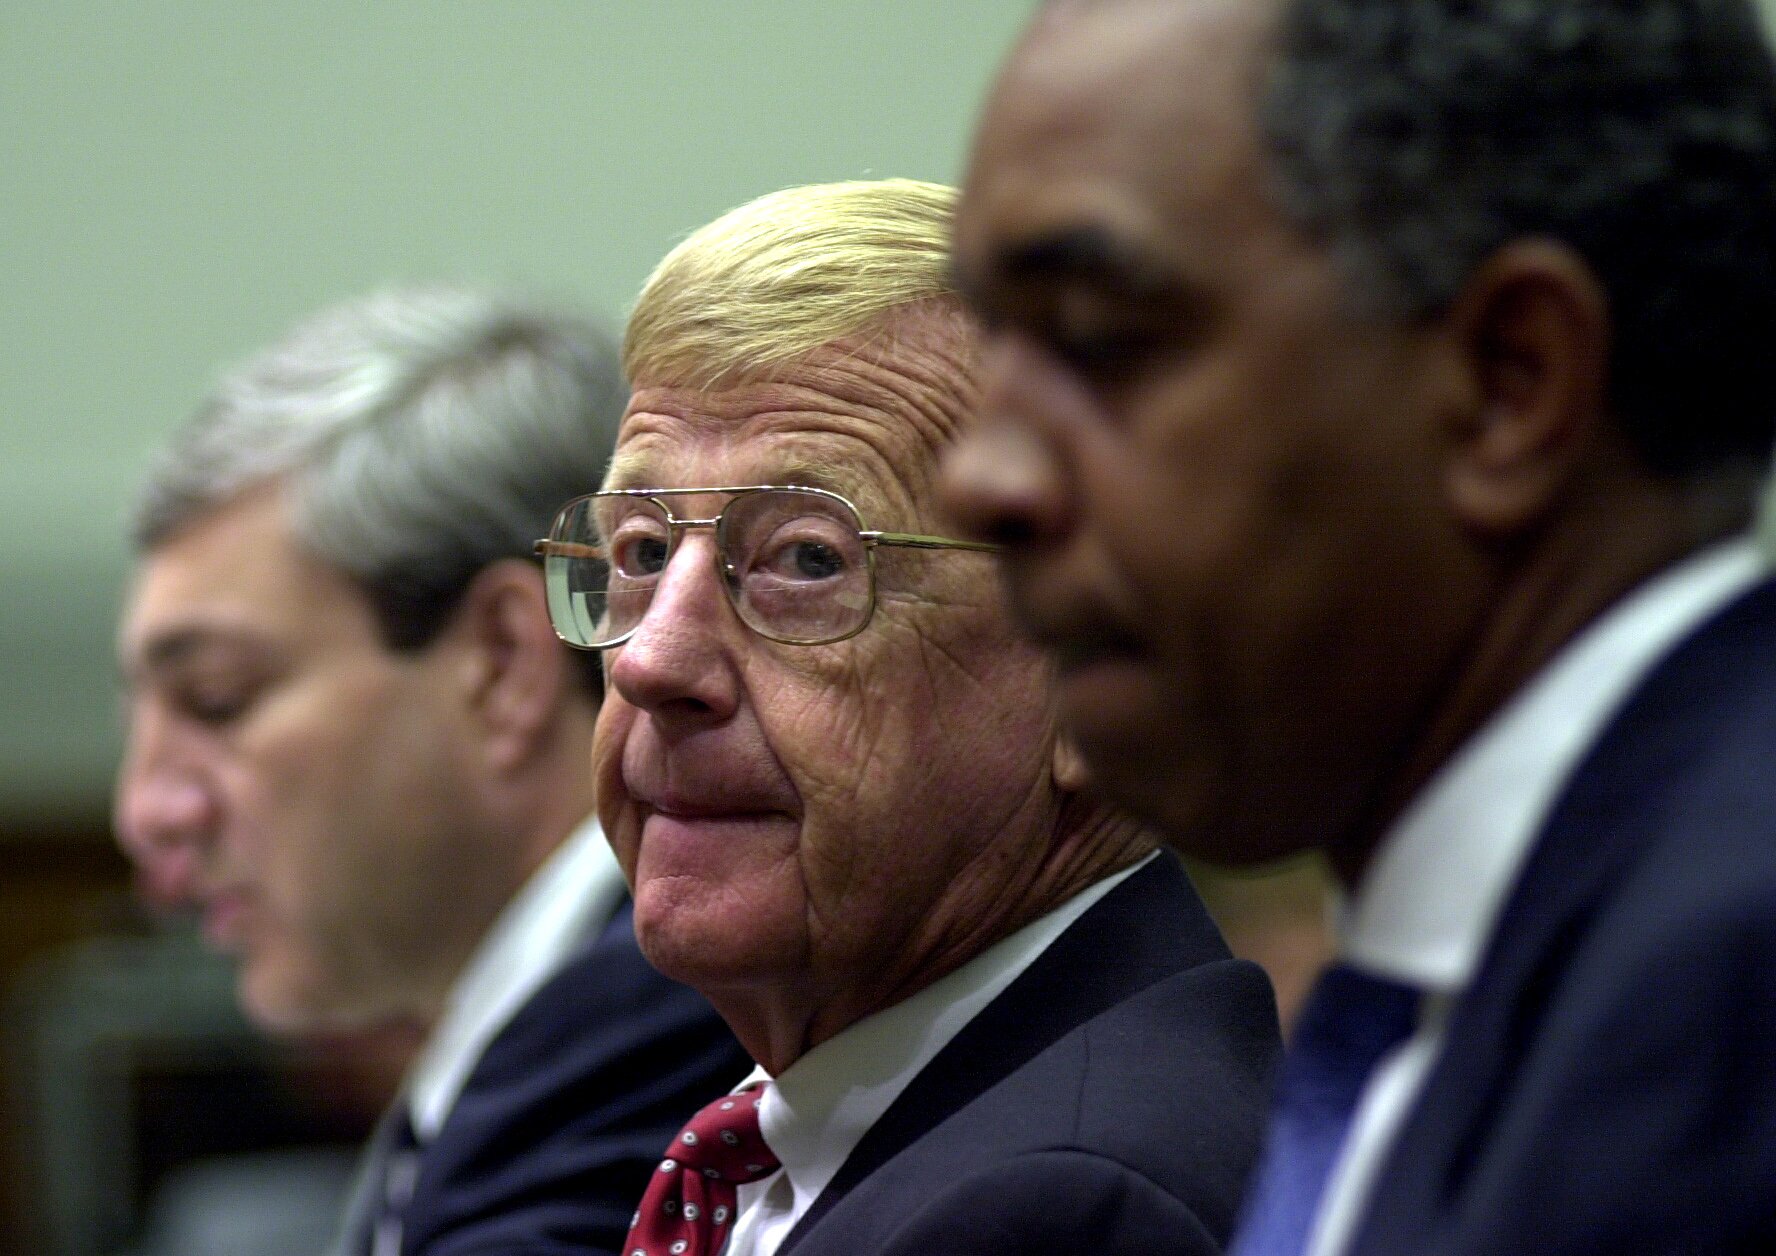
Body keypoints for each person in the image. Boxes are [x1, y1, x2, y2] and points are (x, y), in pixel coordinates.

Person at [942, 1, 1776, 1253]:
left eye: (1100, 342)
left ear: (1509, 383)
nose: (981, 479)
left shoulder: (1731, 1001)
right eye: (995, 347)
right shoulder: (1474, 983)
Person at [537, 178, 1279, 1256]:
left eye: (805, 558)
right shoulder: (832, 1133)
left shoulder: (1061, 1212)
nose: (652, 659)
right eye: (643, 551)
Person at [113, 287, 750, 1256]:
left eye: (216, 699)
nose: (145, 811)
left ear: (501, 665)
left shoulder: (661, 1022)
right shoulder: (530, 1047)